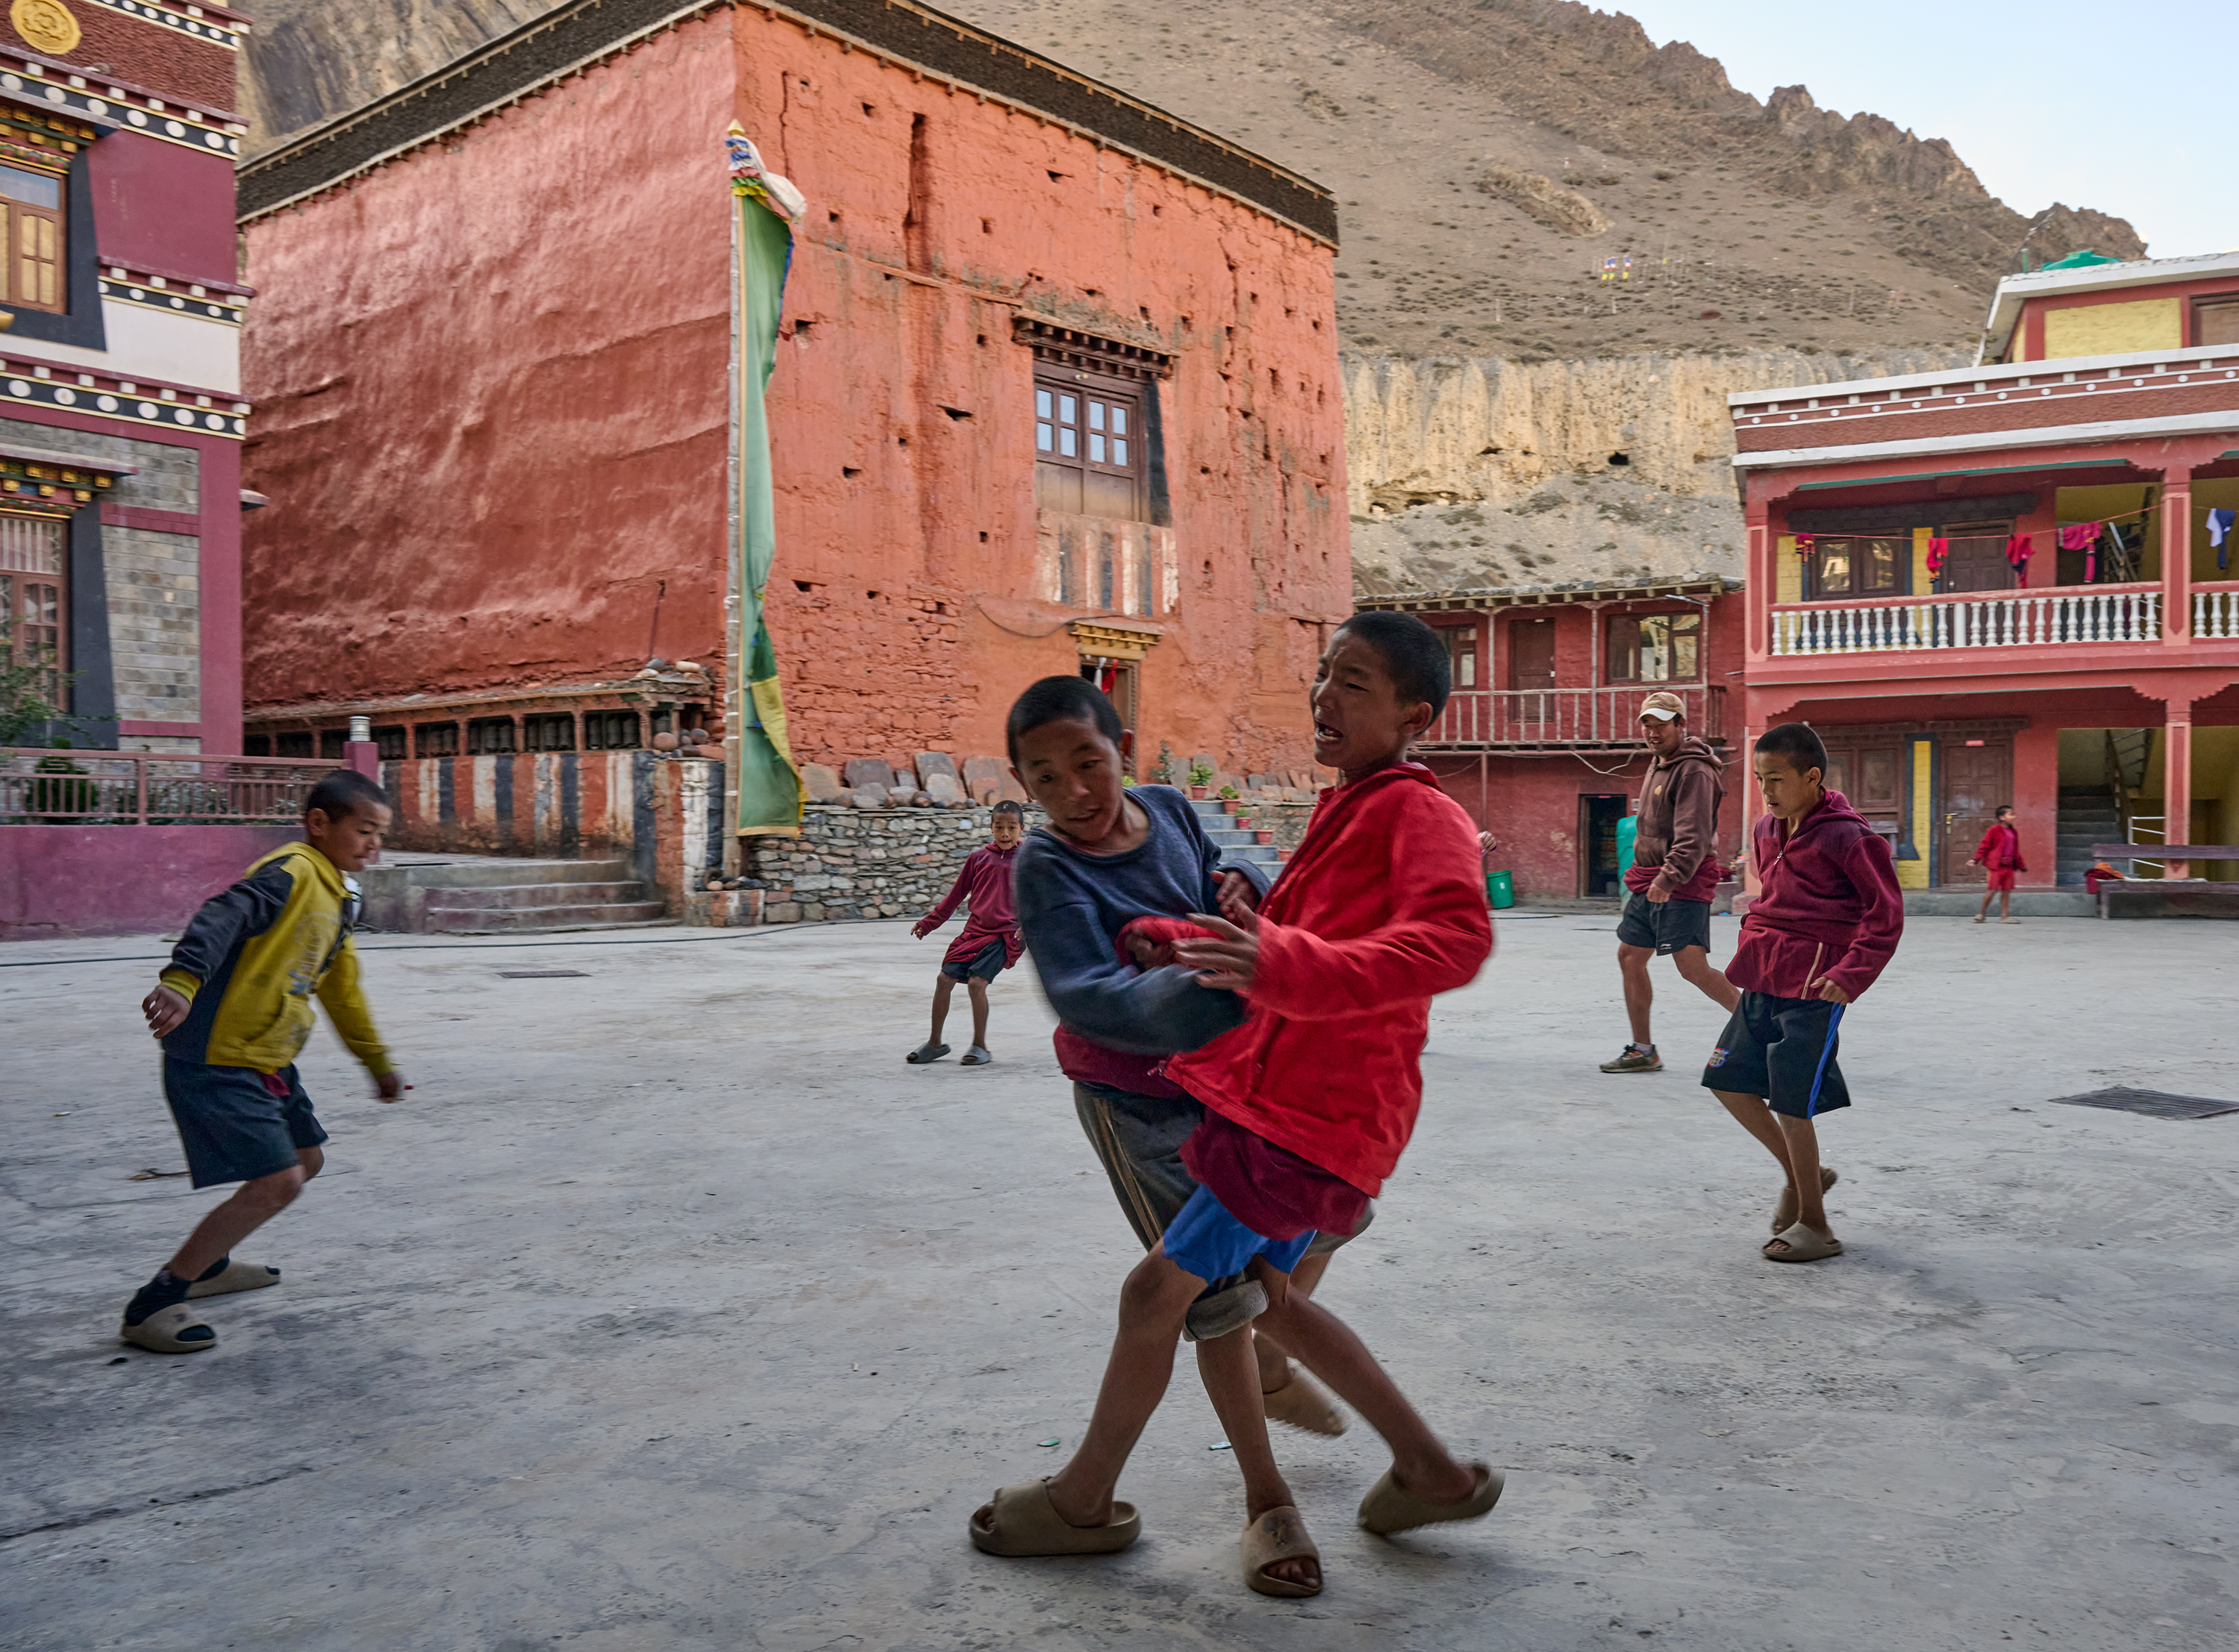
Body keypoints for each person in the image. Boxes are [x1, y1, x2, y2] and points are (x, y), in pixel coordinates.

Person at [972, 614, 1500, 1595]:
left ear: (1415, 716)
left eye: (1353, 683)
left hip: (1310, 1108)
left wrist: (1270, 961)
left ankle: (1089, 1497)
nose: (1323, 695)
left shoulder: (1412, 811)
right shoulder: (1353, 804)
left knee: (1173, 1297)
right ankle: (1424, 1469)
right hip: (1269, 1096)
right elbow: (1274, 932)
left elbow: (1452, 939)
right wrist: (1189, 937)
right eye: (1323, 673)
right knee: (1263, 1299)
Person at [998, 678, 1347, 1435]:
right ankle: (1263, 1483)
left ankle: (1272, 1363)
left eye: (1088, 764)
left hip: (1224, 1081)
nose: (1074, 792)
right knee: (1212, 1289)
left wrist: (1244, 885)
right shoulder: (1046, 865)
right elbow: (1086, 996)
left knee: (1325, 1216)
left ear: (1121, 751)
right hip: (1135, 1102)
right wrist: (1219, 986)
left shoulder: (1170, 809)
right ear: (1023, 784)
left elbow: (1219, 878)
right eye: (1046, 778)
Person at [122, 769, 406, 1354]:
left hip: (269, 1058)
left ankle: (208, 1266)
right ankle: (155, 1302)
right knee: (280, 1181)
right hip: (218, 1057)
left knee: (306, 1159)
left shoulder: (338, 897)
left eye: (381, 833)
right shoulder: (292, 871)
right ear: (319, 823)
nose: (374, 844)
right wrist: (182, 980)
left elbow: (343, 991)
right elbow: (222, 915)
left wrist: (376, 1060)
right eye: (364, 830)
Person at [1702, 723, 1902, 1263]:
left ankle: (1816, 1225)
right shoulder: (1766, 829)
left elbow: (1885, 915)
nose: (1766, 791)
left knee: (1792, 1103)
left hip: (1815, 985)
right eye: (1759, 779)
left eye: (1777, 779)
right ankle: (1802, 1174)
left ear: (1812, 778)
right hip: (1763, 973)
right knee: (1726, 1080)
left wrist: (1852, 972)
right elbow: (1774, 895)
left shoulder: (1850, 837)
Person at [1602, 690, 1739, 1074]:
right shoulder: (1659, 763)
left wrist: (1668, 878)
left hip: (1680, 882)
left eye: (1661, 724)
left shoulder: (1694, 770)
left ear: (1681, 724)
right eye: (1647, 724)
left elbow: (1693, 837)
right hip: (1649, 880)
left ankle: (1766, 1032)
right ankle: (1643, 1050)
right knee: (1630, 957)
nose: (1652, 731)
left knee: (1693, 968)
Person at [908, 799, 1026, 1066]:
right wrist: (929, 923)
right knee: (943, 980)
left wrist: (1028, 925)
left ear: (1021, 828)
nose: (1005, 833)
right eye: (999, 827)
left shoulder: (1029, 860)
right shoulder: (978, 858)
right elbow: (956, 895)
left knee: (976, 984)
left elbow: (1042, 898)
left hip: (1006, 935)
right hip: (974, 932)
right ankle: (935, 1044)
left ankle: (980, 1046)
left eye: (1011, 827)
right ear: (991, 827)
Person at [1968, 804, 2026, 924]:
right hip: (1996, 866)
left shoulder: (2013, 831)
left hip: (2009, 866)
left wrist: (2021, 865)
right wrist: (1975, 859)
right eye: (2011, 815)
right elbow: (1984, 846)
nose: (2014, 817)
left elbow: (2015, 850)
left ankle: (2004, 916)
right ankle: (1981, 914)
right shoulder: (1993, 830)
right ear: (2002, 817)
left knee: (2006, 891)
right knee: (1992, 890)